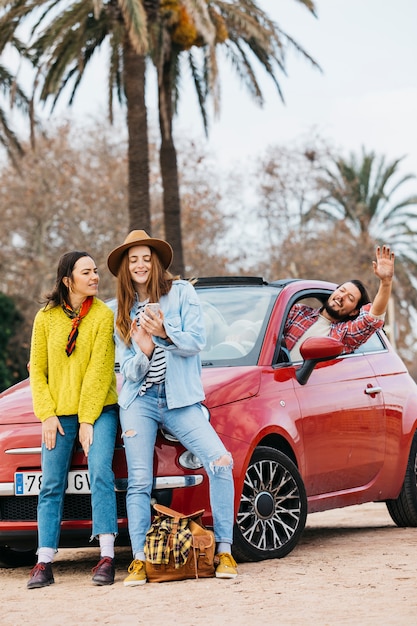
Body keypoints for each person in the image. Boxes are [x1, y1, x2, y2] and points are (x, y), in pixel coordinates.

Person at [106, 230, 238, 586]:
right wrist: (144, 350)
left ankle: (224, 550)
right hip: (139, 402)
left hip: (180, 399)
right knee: (138, 482)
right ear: (124, 267)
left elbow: (196, 342)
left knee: (221, 462)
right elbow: (125, 371)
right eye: (133, 259)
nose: (140, 265)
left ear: (157, 262)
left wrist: (164, 332)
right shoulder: (117, 309)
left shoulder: (181, 293)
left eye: (146, 258)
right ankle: (138, 559)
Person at [27, 251, 119, 589]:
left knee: (100, 472)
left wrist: (88, 420)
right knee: (50, 484)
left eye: (95, 271)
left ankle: (106, 555)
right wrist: (47, 415)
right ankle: (44, 561)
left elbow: (99, 371)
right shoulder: (45, 318)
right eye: (87, 272)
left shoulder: (102, 315)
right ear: (68, 279)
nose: (95, 277)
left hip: (99, 411)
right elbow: (37, 370)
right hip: (59, 415)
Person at [284, 244, 395, 361]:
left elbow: (372, 319)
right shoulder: (299, 312)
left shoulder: (343, 334)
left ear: (354, 312)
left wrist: (386, 282)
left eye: (350, 298)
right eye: (341, 290)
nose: (341, 296)